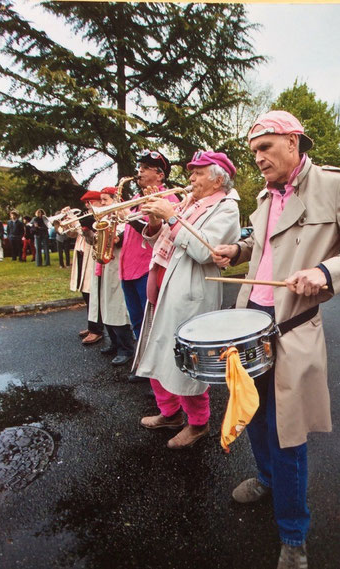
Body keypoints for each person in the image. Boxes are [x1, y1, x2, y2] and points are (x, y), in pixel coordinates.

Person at [212, 110, 340, 569]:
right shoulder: (264, 196)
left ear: (294, 142)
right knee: (251, 415)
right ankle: (267, 479)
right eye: (253, 151)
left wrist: (326, 271)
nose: (257, 158)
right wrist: (238, 250)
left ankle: (293, 535)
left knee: (287, 431)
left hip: (292, 328)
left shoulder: (334, 185)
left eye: (266, 147)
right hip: (247, 322)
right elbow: (264, 244)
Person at [132, 150, 241, 449]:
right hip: (163, 283)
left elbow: (206, 251)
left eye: (198, 172)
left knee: (187, 360)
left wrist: (171, 217)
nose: (190, 177)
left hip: (189, 291)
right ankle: (169, 413)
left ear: (217, 177)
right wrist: (156, 222)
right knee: (156, 351)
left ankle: (198, 423)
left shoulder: (227, 208)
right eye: (191, 171)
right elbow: (163, 239)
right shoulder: (189, 202)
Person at [119, 150, 179, 383]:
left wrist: (128, 216)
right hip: (128, 269)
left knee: (152, 323)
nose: (139, 172)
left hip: (147, 269)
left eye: (144, 168)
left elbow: (161, 232)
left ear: (159, 174)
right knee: (136, 321)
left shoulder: (169, 200)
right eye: (139, 167)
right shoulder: (136, 201)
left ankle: (156, 369)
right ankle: (143, 364)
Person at [88, 187, 134, 366]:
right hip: (105, 268)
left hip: (117, 268)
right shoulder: (105, 218)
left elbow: (125, 237)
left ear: (117, 199)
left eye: (106, 200)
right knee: (106, 305)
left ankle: (126, 348)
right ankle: (114, 342)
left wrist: (116, 237)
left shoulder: (124, 217)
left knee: (117, 308)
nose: (103, 204)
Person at [66, 193, 104, 345]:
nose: (87, 205)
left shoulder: (99, 216)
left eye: (90, 202)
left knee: (93, 295)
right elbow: (70, 234)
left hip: (93, 258)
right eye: (86, 203)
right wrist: (68, 220)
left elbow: (92, 239)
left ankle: (97, 330)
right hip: (82, 256)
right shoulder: (86, 216)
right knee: (86, 295)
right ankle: (91, 326)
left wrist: (83, 225)